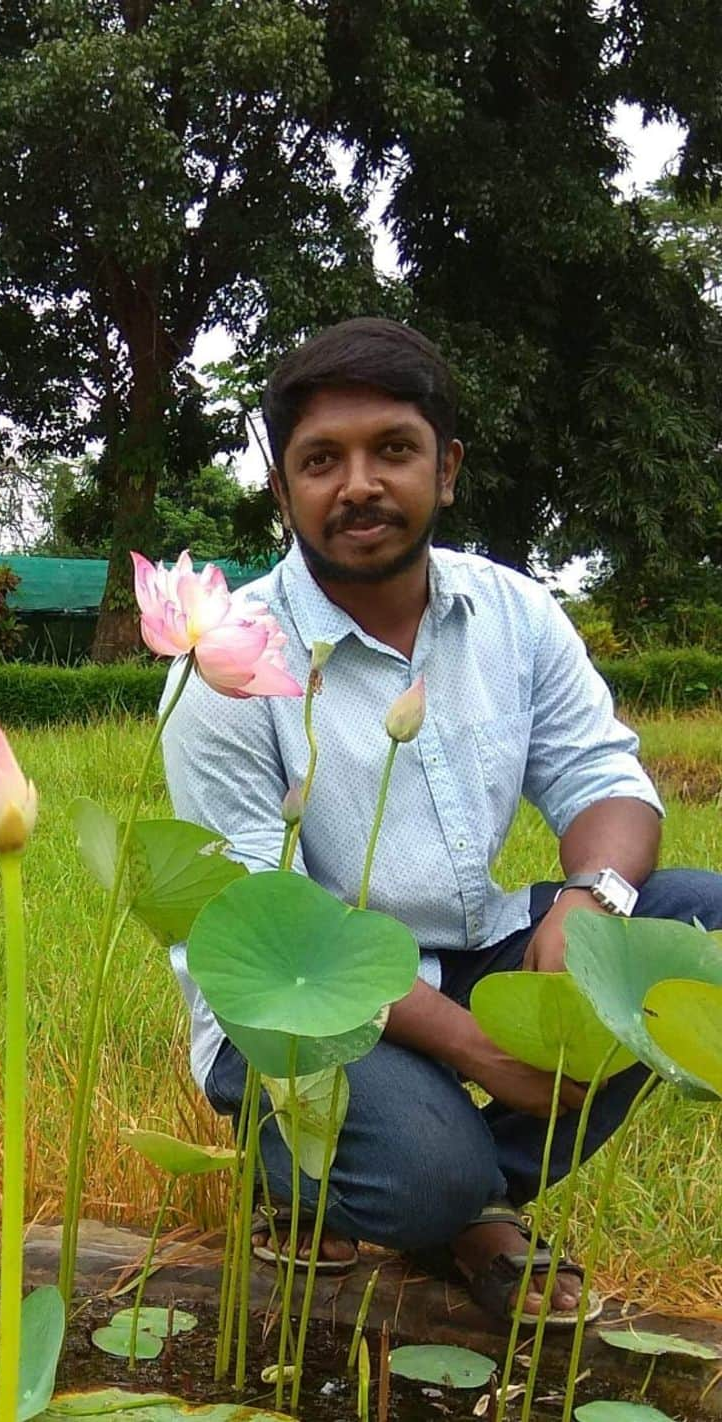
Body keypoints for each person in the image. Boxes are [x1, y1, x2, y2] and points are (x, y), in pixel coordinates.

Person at [161, 317, 722, 1325]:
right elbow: (259, 929)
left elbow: (605, 777)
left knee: (696, 926)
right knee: (420, 1171)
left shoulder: (512, 614)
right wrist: (470, 1048)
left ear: (447, 468)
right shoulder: (228, 663)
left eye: (392, 450)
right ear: (283, 492)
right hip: (292, 1000)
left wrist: (593, 898)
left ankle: (470, 1191)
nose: (358, 485)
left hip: (465, 946)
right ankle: (373, 1178)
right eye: (321, 461)